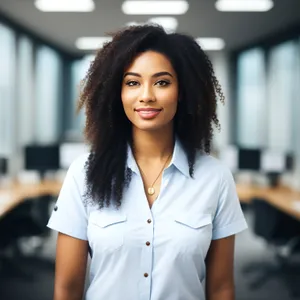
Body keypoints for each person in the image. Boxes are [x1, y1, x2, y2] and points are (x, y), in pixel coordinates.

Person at [47, 24, 248, 300]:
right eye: (132, 82)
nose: (146, 95)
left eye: (162, 82)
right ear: (117, 93)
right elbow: (66, 289)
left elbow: (222, 288)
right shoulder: (83, 173)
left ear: (182, 91)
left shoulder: (215, 177)